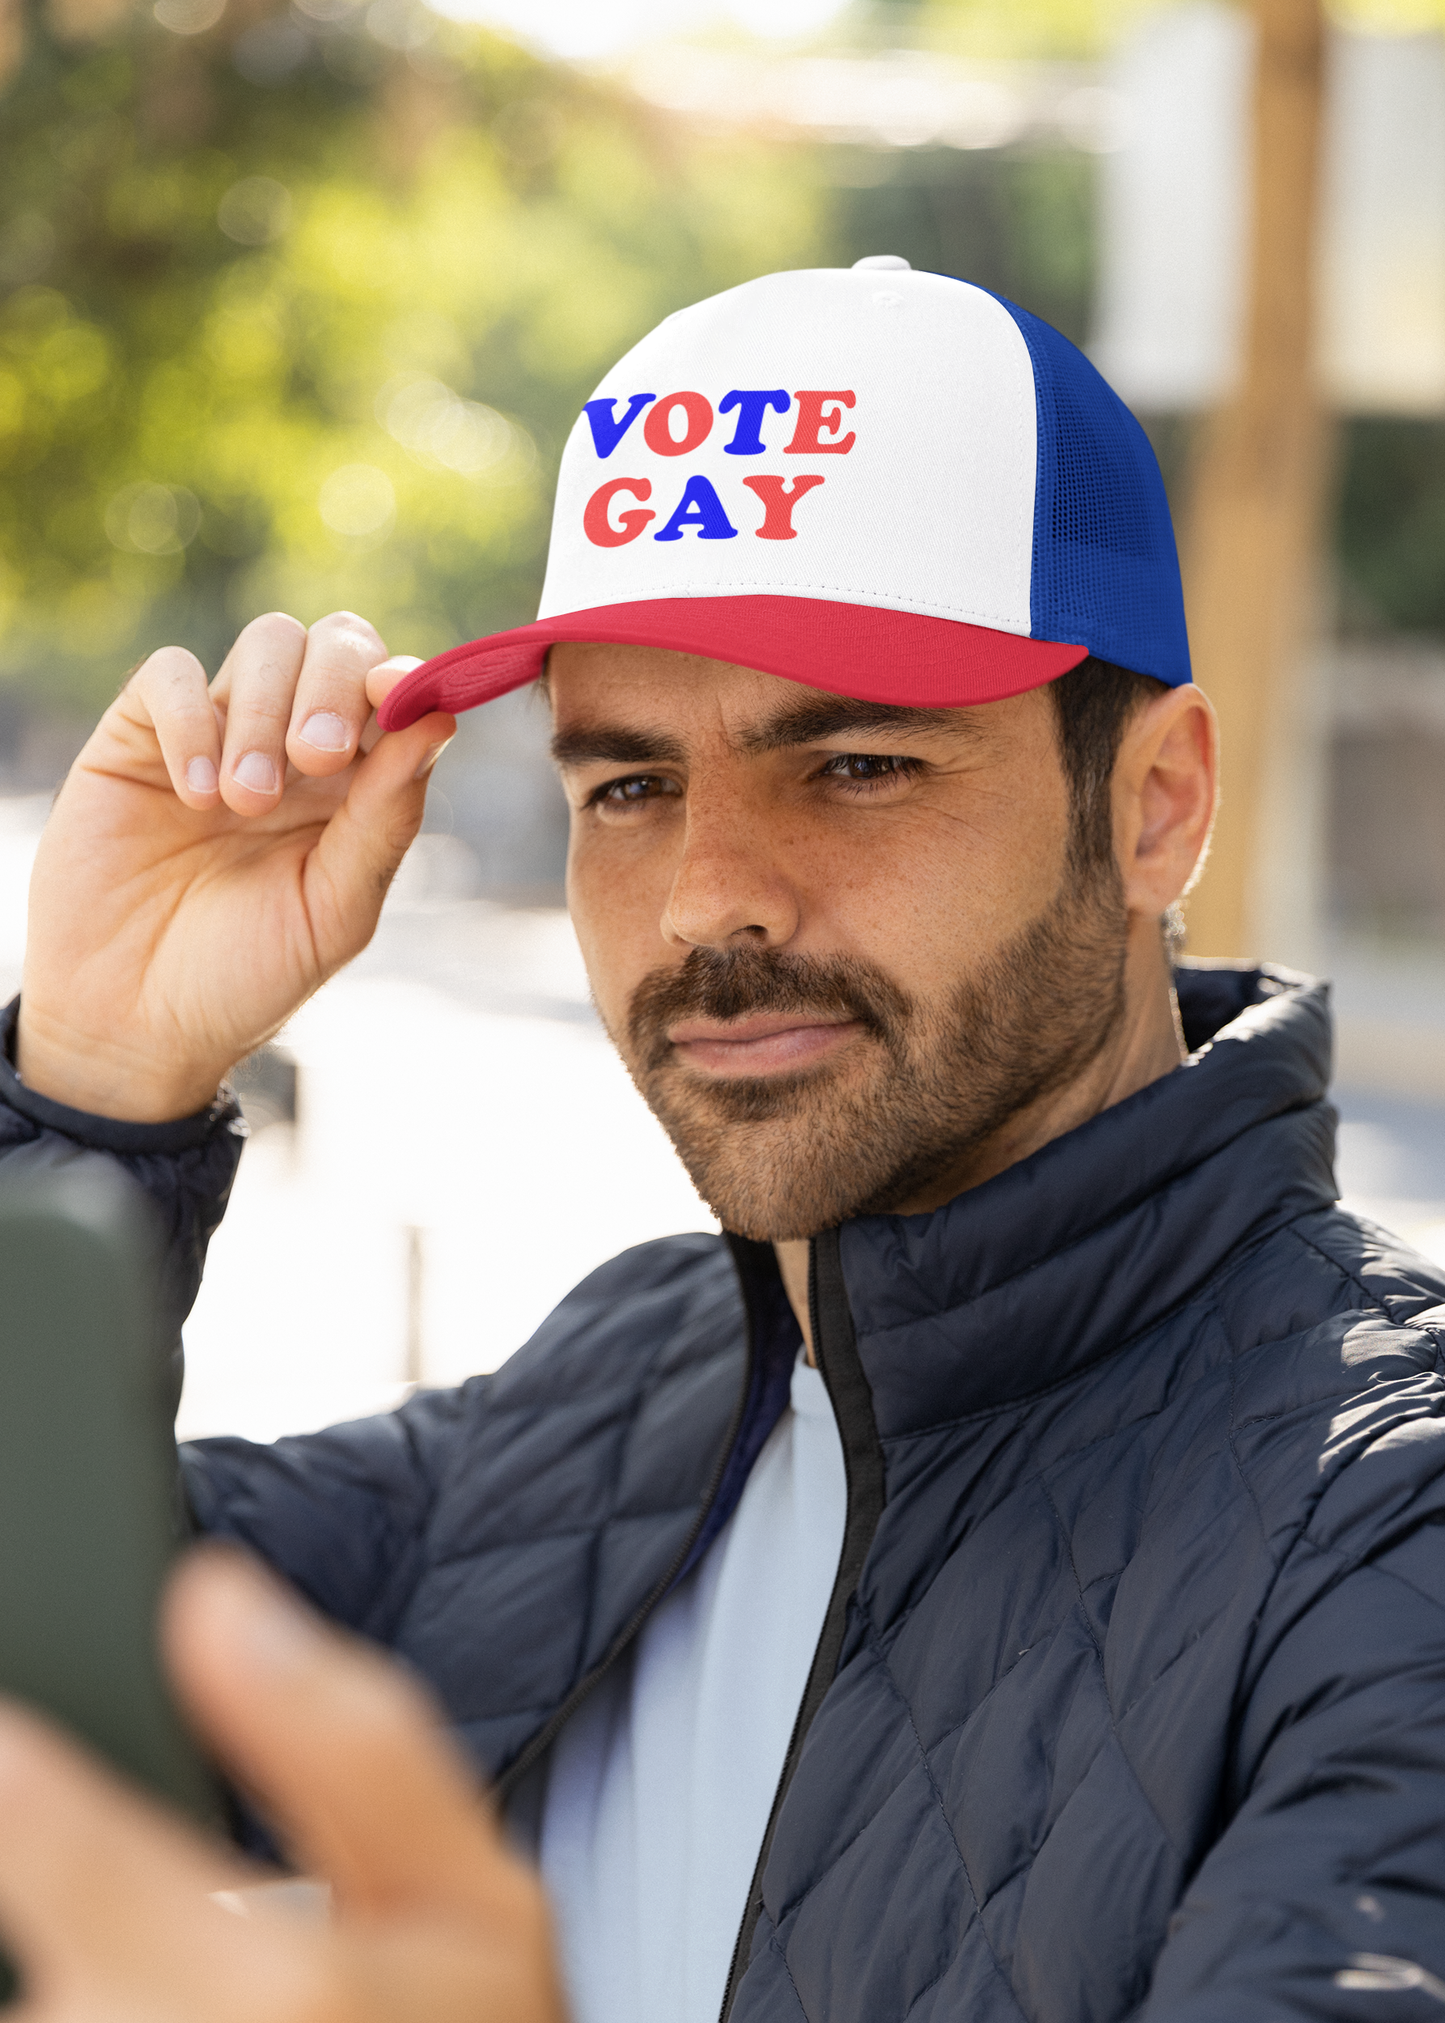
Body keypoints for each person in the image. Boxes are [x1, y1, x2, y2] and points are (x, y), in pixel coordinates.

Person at [2, 258, 1445, 2022]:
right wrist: (84, 1086)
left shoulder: (1395, 1526)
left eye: (854, 763)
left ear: (1156, 804)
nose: (705, 899)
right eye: (628, 782)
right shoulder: (618, 1398)